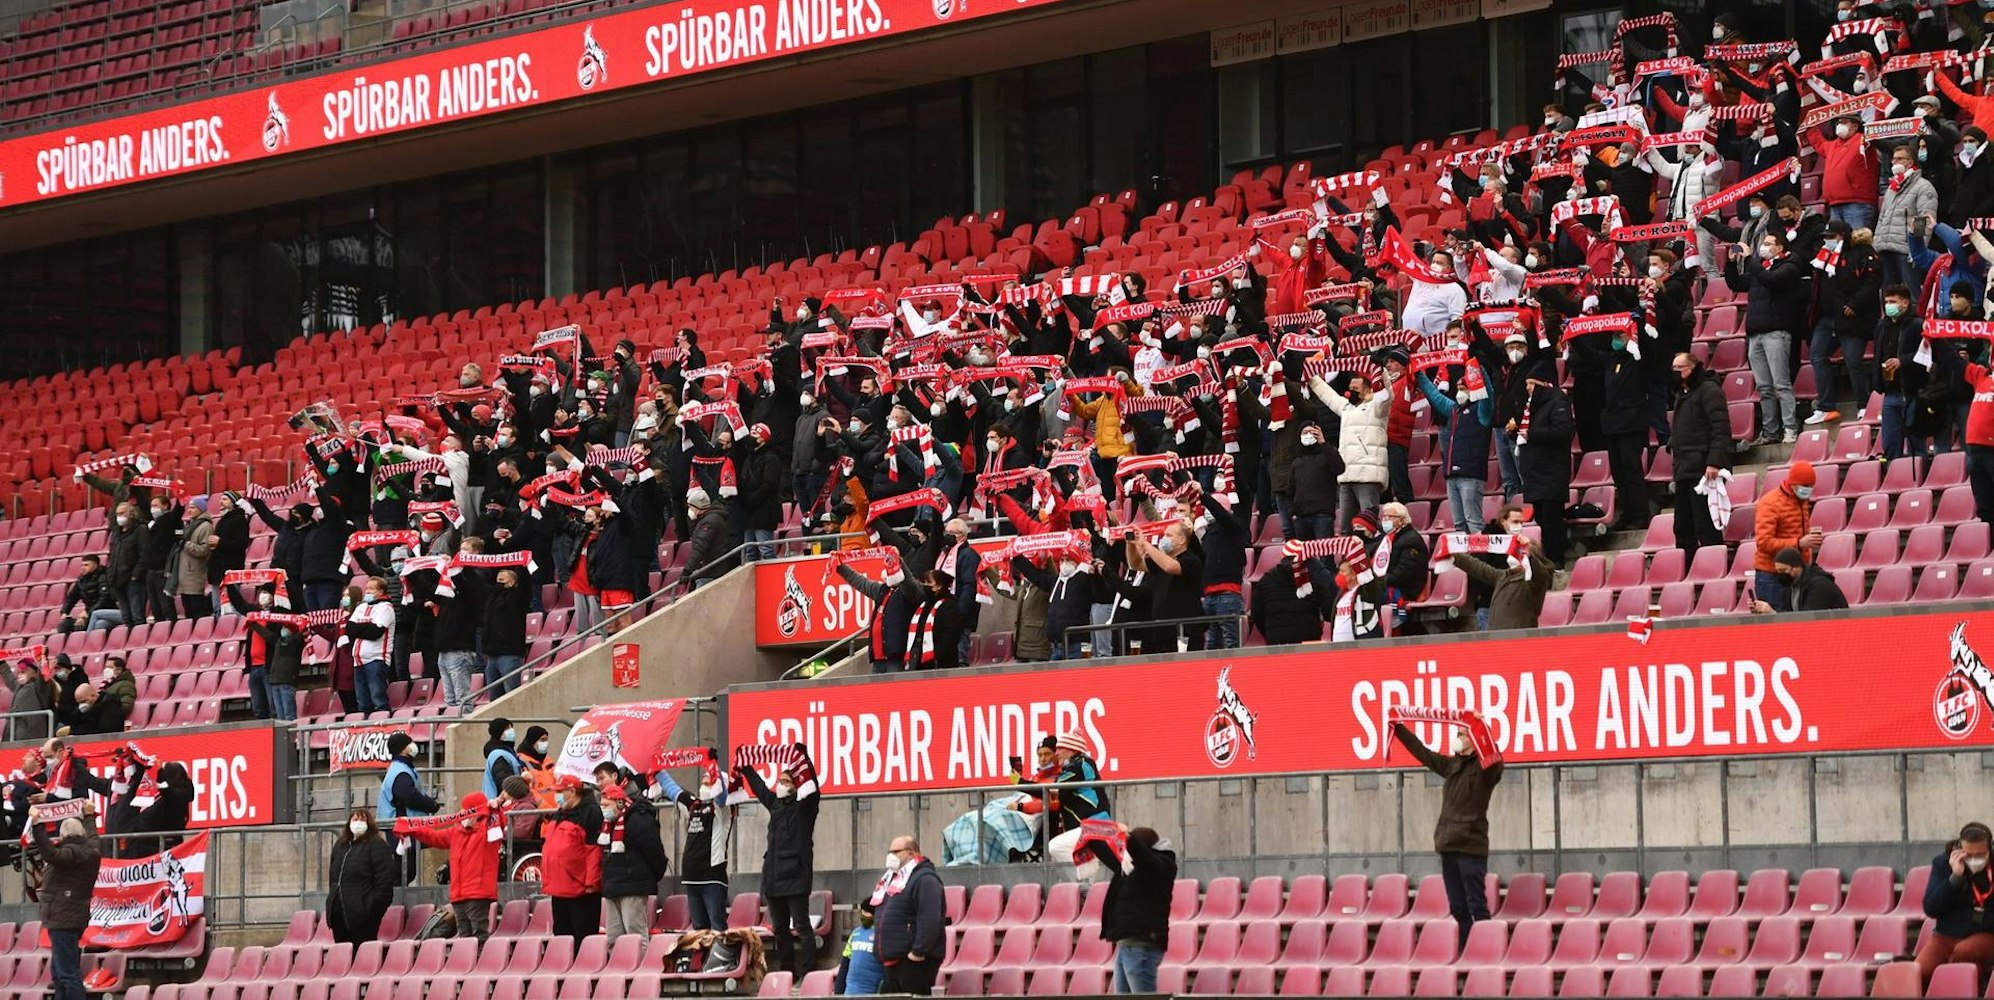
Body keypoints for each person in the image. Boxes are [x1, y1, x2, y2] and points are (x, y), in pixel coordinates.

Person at [1393, 718, 1504, 950]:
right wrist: (1398, 728)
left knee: (1477, 906)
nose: (1458, 737)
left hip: (1471, 848)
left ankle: (1486, 953)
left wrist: (1480, 727)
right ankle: (1466, 952)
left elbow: (1494, 758)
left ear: (1475, 739)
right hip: (1448, 845)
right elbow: (1423, 753)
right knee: (1458, 907)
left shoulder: (1485, 768)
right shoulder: (1453, 765)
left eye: (1463, 734)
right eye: (1459, 733)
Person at [741, 748, 822, 975]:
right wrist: (745, 767)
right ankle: (788, 971)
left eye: (786, 781)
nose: (781, 784)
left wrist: (805, 759)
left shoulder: (805, 808)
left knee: (802, 927)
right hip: (773, 879)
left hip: (795, 878)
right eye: (780, 780)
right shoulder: (775, 805)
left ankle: (809, 973)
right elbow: (759, 788)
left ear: (796, 785)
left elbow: (813, 788)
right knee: (779, 929)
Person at [1723, 230, 1807, 444]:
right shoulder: (1759, 268)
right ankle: (1770, 431)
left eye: (1768, 243)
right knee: (1764, 387)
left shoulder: (1788, 267)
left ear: (1780, 247)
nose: (1764, 246)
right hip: (1755, 334)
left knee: (1781, 384)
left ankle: (1789, 427)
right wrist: (1731, 263)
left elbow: (1770, 280)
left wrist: (1750, 259)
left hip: (1776, 332)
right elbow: (1736, 284)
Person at [397, 793, 502, 942]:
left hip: (477, 894)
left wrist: (493, 809)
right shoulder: (457, 832)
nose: (461, 812)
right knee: (464, 938)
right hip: (459, 896)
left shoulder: (488, 831)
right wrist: (412, 828)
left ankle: (481, 958)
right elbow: (434, 837)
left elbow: (500, 821)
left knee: (479, 936)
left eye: (466, 809)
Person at [1091, 825, 1177, 994]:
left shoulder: (1161, 865)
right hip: (1125, 945)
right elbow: (1108, 854)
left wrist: (1128, 838)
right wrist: (1092, 838)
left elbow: (1145, 858)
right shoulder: (1129, 865)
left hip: (1142, 945)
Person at [653, 755, 732, 930]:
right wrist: (655, 766)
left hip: (712, 879)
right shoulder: (693, 805)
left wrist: (713, 766)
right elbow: (672, 789)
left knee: (717, 928)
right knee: (699, 929)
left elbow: (722, 796)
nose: (704, 786)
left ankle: (721, 950)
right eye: (703, 782)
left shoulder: (722, 809)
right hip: (691, 878)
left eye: (709, 783)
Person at [1449, 504, 1555, 631]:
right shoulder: (1503, 575)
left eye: (1521, 522)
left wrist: (1530, 554)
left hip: (1519, 634)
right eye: (1515, 521)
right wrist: (1453, 553)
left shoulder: (1533, 580)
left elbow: (1540, 573)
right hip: (1491, 619)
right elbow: (1478, 567)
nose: (1519, 526)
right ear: (1503, 521)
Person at [33, 803, 101, 1000]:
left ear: (63, 836)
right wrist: (89, 816)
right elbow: (93, 836)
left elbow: (51, 854)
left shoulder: (71, 853)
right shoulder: (91, 849)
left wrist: (38, 826)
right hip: (73, 916)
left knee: (67, 974)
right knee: (60, 973)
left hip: (63, 917)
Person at [1669, 353, 1733, 554]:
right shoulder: (1682, 394)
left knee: (1705, 526)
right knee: (1683, 528)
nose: (1675, 373)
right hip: (1683, 469)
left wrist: (1714, 462)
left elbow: (1721, 429)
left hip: (1703, 470)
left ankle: (1713, 567)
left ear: (1692, 368)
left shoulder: (1709, 390)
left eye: (1679, 368)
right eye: (1673, 368)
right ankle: (1687, 569)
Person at [1919, 822, 1994, 984]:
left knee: (1965, 951)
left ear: (1990, 850)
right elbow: (1930, 908)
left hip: (1987, 934)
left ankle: (1948, 984)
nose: (1974, 860)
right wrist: (1955, 878)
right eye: (1969, 855)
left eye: (1980, 855)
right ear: (1959, 849)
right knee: (1919, 972)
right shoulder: (1942, 863)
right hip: (1946, 935)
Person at [874, 835, 945, 994]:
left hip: (913, 961)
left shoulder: (925, 879)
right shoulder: (891, 879)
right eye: (889, 852)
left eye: (896, 852)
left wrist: (918, 951)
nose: (891, 856)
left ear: (911, 853)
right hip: (892, 960)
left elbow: (930, 918)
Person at [599, 783, 669, 938]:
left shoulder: (639, 820)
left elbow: (653, 850)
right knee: (613, 936)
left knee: (635, 934)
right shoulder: (607, 825)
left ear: (619, 803)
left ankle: (640, 955)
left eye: (606, 805)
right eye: (601, 805)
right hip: (613, 885)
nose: (603, 809)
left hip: (633, 885)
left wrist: (651, 876)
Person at [541, 775, 605, 941]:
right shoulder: (561, 812)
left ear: (572, 791)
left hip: (580, 889)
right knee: (561, 936)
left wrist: (591, 882)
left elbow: (593, 850)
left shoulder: (591, 812)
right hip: (558, 886)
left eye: (560, 791)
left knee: (583, 937)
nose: (557, 796)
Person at [1751, 461, 1820, 611]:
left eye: (1811, 486)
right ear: (1793, 483)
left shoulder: (1801, 500)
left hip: (1796, 573)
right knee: (1775, 620)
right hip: (1772, 574)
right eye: (1805, 486)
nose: (1808, 489)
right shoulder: (1770, 503)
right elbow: (1763, 543)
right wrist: (1799, 543)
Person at [327, 809, 398, 944]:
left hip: (364, 914)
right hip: (338, 912)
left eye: (362, 820)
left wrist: (372, 906)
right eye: (355, 819)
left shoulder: (376, 845)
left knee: (363, 950)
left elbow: (385, 879)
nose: (358, 823)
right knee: (343, 951)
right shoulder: (340, 845)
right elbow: (333, 877)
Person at [376, 733, 438, 876]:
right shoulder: (400, 772)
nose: (413, 745)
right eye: (409, 743)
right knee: (404, 870)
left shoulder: (401, 768)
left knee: (407, 869)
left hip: (402, 826)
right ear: (403, 749)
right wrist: (431, 805)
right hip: (400, 827)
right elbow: (410, 796)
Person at [346, 577, 397, 714]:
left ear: (380, 591)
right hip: (358, 660)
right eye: (367, 588)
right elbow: (349, 629)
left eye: (372, 589)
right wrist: (366, 627)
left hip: (376, 659)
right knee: (362, 702)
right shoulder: (361, 607)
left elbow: (375, 632)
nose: (367, 591)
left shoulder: (386, 608)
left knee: (378, 700)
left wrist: (359, 629)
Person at [1748, 547, 1851, 614]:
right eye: (1778, 571)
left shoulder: (1820, 585)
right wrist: (1764, 612)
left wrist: (1772, 612)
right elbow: (1786, 614)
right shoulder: (1789, 585)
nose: (1781, 575)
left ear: (1797, 567)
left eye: (1783, 570)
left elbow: (1808, 618)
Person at [56, 555, 118, 633]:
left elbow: (105, 599)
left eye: (86, 565)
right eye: (82, 565)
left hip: (105, 612)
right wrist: (64, 612)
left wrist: (87, 614)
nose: (83, 568)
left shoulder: (104, 577)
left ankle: (88, 639)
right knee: (64, 625)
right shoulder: (81, 580)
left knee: (99, 624)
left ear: (95, 565)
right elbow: (71, 597)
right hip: (89, 612)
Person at [835, 900, 885, 996]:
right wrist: (838, 993)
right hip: (849, 993)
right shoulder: (856, 933)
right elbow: (845, 965)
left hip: (872, 994)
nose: (862, 915)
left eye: (866, 912)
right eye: (861, 912)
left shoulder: (883, 935)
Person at [683, 488, 730, 588]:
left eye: (691, 507)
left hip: (709, 572)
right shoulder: (707, 519)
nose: (690, 510)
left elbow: (700, 547)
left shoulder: (709, 522)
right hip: (709, 570)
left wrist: (687, 570)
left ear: (697, 507)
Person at [481, 719, 522, 800]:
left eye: (511, 727)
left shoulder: (507, 753)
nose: (511, 731)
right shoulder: (499, 755)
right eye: (507, 729)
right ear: (498, 732)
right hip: (501, 803)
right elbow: (505, 785)